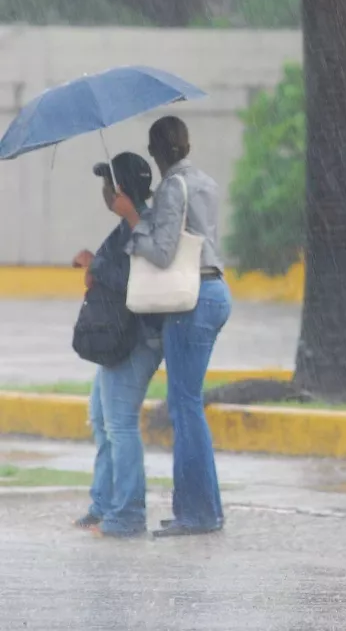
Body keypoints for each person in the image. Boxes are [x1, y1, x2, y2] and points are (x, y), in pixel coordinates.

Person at [111, 116, 231, 538]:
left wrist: (131, 226)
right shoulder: (204, 182)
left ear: (155, 151)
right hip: (215, 291)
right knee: (188, 405)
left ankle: (197, 515)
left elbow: (162, 253)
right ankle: (205, 509)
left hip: (190, 300)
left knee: (185, 407)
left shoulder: (171, 187)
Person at [73, 152, 163, 538]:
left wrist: (96, 265)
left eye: (109, 185)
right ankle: (103, 505)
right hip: (119, 339)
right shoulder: (128, 226)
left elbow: (133, 282)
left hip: (137, 340)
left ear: (123, 191)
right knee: (102, 418)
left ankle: (126, 515)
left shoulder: (143, 226)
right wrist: (94, 270)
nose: (105, 192)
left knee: (120, 426)